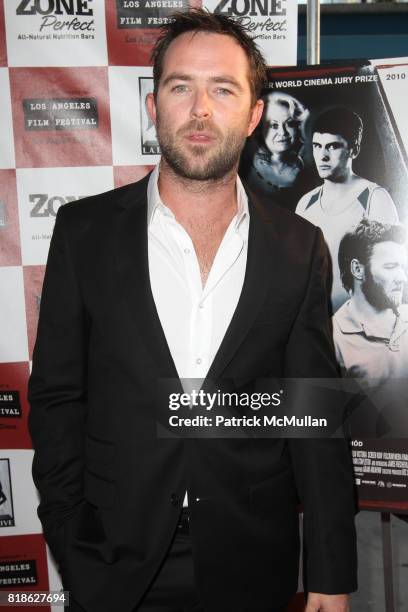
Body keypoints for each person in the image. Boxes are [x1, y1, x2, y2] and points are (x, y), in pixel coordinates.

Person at [28, 10, 357, 612]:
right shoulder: (86, 232)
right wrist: (71, 538)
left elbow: (312, 416)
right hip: (114, 561)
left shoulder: (298, 245)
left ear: (254, 114)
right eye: (181, 87)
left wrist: (331, 572)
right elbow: (56, 398)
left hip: (254, 558)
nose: (201, 108)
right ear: (154, 107)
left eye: (223, 89)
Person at [296, 107, 399, 313]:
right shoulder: (305, 203)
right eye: (317, 146)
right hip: (314, 325)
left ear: (354, 149)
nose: (322, 156)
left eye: (332, 146)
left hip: (361, 328)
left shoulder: (374, 198)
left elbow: (392, 270)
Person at [333, 219, 408, 385]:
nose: (402, 278)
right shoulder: (332, 339)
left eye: (402, 267)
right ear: (358, 269)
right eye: (390, 266)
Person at [240, 92, 316, 212]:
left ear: (298, 127)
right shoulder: (243, 164)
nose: (282, 132)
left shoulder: (310, 170)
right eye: (274, 125)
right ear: (260, 129)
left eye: (289, 124)